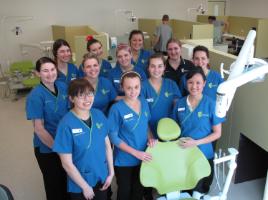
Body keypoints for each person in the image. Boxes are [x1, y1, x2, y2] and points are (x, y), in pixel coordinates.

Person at [53, 78, 114, 200]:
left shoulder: (98, 115)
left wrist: (111, 172)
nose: (87, 99)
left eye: (89, 94)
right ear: (71, 98)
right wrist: (85, 187)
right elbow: (66, 163)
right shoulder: (65, 125)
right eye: (81, 95)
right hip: (80, 182)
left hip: (101, 175)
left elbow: (107, 146)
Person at [172, 67, 225, 196]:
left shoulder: (211, 104)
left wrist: (196, 142)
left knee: (198, 192)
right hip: (183, 153)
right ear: (186, 83)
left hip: (203, 154)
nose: (194, 86)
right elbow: (174, 128)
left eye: (198, 83)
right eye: (190, 82)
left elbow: (217, 133)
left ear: (204, 84)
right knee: (184, 190)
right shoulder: (180, 104)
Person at [25, 57, 69, 200]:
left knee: (67, 181)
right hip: (47, 148)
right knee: (54, 185)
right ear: (38, 73)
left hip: (64, 142)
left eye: (52, 69)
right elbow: (39, 129)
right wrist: (58, 149)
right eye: (45, 71)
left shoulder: (63, 87)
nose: (50, 74)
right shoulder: (35, 96)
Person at [108, 71, 155, 200]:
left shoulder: (144, 103)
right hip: (124, 160)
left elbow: (146, 125)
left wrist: (150, 138)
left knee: (138, 191)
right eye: (129, 88)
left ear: (141, 87)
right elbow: (113, 137)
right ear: (122, 88)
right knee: (124, 192)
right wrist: (135, 153)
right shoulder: (116, 109)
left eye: (136, 87)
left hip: (143, 157)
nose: (133, 91)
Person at [141, 53, 182, 139]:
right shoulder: (142, 87)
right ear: (148, 68)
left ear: (164, 67)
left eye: (160, 66)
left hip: (170, 131)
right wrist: (149, 135)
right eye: (153, 66)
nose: (156, 70)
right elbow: (141, 114)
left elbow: (178, 108)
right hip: (148, 131)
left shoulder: (171, 84)